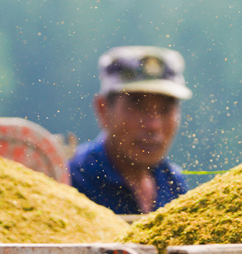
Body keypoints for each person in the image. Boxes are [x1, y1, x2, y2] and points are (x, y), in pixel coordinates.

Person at [68, 45, 192, 214]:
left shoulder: (173, 185)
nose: (153, 125)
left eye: (165, 110)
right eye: (138, 108)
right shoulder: (71, 180)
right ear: (103, 110)